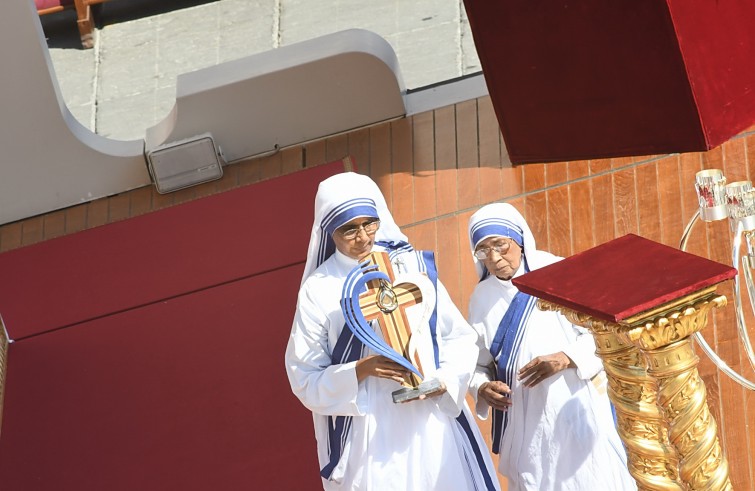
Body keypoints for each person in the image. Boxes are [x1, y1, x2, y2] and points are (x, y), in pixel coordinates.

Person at [285, 172, 500, 491]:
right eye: (349, 229)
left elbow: (458, 338)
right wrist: (360, 369)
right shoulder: (319, 290)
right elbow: (303, 375)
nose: (362, 237)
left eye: (369, 223)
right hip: (372, 435)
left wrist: (445, 380)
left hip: (431, 420)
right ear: (329, 231)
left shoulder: (412, 270)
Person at [466, 203, 636, 491]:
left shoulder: (557, 272)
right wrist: (481, 387)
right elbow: (476, 363)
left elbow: (605, 331)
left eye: (500, 245)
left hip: (574, 407)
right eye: (483, 250)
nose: (494, 258)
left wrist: (565, 358)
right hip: (524, 421)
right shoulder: (480, 299)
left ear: (518, 239)